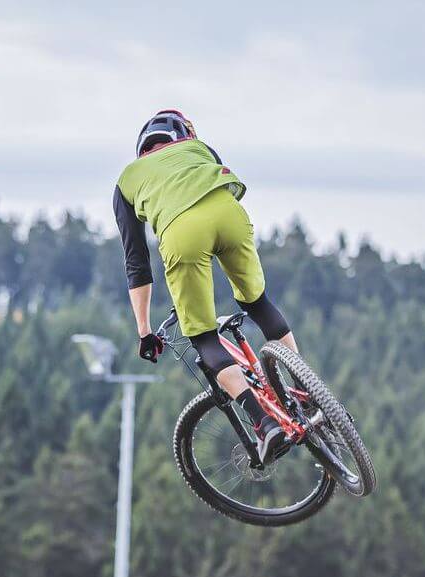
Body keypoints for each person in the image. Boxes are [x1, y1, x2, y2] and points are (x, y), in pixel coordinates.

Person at [114, 109, 298, 458]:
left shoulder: (127, 180)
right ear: (182, 134)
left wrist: (144, 331)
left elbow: (136, 263)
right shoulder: (199, 148)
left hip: (182, 233)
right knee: (257, 302)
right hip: (230, 215)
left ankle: (264, 424)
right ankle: (305, 390)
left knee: (203, 337)